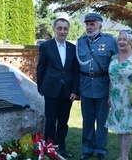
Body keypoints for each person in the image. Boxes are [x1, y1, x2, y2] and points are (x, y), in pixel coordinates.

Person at [76, 13, 119, 160]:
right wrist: (76, 90)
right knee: (87, 120)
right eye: (87, 24)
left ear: (100, 25)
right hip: (86, 86)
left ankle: (101, 149)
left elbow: (117, 65)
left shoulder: (110, 41)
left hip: (103, 87)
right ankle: (87, 149)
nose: (89, 27)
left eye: (92, 24)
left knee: (102, 121)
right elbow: (76, 67)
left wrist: (113, 90)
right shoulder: (80, 42)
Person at [36, 18, 79, 158]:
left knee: (63, 122)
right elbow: (40, 68)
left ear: (68, 30)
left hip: (67, 92)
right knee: (50, 121)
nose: (62, 31)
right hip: (50, 90)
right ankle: (49, 149)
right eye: (59, 28)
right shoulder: (46, 46)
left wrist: (74, 90)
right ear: (54, 29)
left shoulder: (73, 48)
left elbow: (75, 72)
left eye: (65, 29)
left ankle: (61, 148)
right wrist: (41, 88)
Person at [105, 30, 132, 160]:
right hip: (116, 97)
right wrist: (109, 96)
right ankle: (121, 155)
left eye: (124, 39)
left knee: (128, 127)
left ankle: (124, 157)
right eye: (120, 39)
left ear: (131, 41)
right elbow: (111, 78)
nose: (121, 42)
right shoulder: (114, 57)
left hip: (131, 97)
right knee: (120, 127)